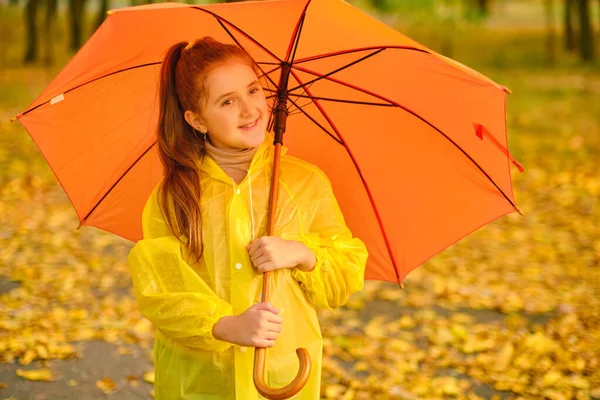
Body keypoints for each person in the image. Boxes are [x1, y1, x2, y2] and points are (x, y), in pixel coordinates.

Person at [127, 37, 368, 400]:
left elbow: (345, 273)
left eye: (253, 90)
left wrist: (303, 253)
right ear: (196, 119)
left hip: (285, 367)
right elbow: (162, 290)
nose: (249, 109)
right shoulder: (174, 196)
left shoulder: (303, 183)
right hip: (200, 381)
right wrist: (224, 325)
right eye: (227, 101)